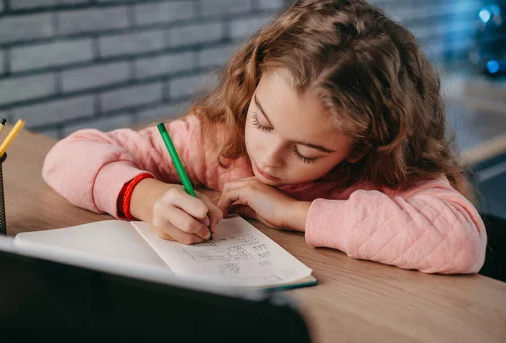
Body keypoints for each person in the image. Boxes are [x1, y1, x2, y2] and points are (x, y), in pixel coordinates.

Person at [42, 0, 487, 274]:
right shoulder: (218, 138)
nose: (269, 160)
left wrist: (295, 212)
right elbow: (68, 157)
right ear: (250, 87)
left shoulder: (386, 173)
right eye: (263, 123)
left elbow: (462, 243)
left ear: (368, 143)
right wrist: (146, 196)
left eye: (308, 152)